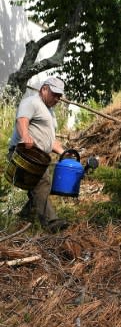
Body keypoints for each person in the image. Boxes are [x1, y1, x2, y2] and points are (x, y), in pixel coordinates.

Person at [7, 77, 68, 232]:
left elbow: (50, 140)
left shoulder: (50, 113)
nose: (57, 98)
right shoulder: (32, 102)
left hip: (39, 157)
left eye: (60, 96)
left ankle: (25, 218)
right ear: (44, 89)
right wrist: (25, 136)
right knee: (42, 183)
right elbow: (22, 120)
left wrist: (64, 153)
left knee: (38, 187)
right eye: (55, 94)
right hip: (24, 153)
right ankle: (51, 222)